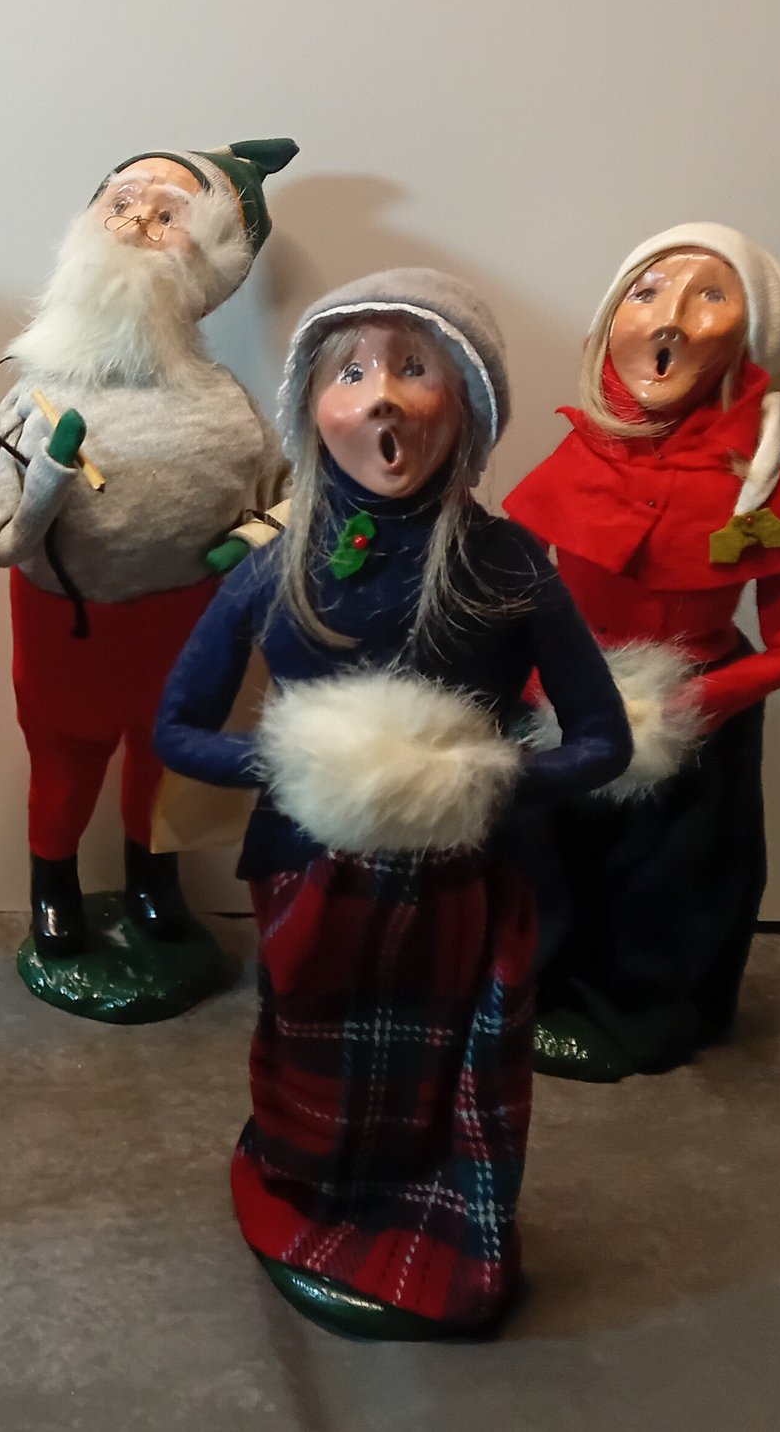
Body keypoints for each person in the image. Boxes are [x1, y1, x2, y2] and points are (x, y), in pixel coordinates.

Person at [156, 269, 630, 1338]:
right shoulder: (272, 569)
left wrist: (482, 779)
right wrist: (301, 769)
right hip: (309, 877)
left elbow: (602, 741)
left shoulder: (508, 565)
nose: (380, 397)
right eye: (352, 373)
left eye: (412, 369)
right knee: (315, 1059)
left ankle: (441, 1225)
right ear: (312, 409)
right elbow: (176, 730)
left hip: (462, 885)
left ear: (466, 404)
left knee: (445, 1075)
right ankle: (309, 1191)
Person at [504, 225, 780, 1081]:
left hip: (696, 723)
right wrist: (532, 681)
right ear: (611, 321)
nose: (671, 318)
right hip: (563, 706)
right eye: (646, 292)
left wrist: (697, 705)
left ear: (752, 336)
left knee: (669, 882)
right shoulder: (578, 457)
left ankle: (638, 1014)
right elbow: (516, 588)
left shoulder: (760, 490)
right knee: (545, 860)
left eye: (709, 295)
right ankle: (537, 994)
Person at [0, 140, 295, 961]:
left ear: (215, 262)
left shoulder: (227, 405)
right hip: (66, 626)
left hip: (185, 626)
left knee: (168, 759)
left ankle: (155, 882)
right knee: (63, 764)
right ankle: (53, 886)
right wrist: (47, 479)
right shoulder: (33, 396)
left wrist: (250, 543)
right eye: (121, 203)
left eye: (167, 215)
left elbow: (291, 501)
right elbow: (1, 536)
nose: (135, 224)